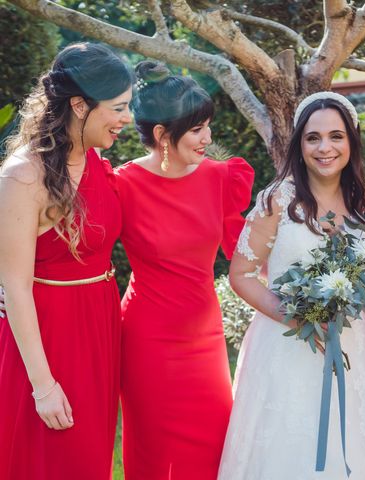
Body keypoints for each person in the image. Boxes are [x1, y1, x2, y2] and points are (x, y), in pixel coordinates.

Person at [218, 92, 365, 479]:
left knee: (352, 443)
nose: (325, 148)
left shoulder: (364, 201)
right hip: (286, 345)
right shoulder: (277, 200)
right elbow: (241, 275)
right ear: (299, 144)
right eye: (313, 138)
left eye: (336, 136)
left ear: (351, 142)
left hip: (349, 344)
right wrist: (298, 317)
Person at [114, 61, 254, 479]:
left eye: (208, 126)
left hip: (204, 337)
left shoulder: (220, 177)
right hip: (146, 338)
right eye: (197, 130)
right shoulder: (120, 184)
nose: (208, 138)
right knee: (154, 451)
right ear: (161, 135)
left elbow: (245, 250)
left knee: (214, 442)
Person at [0, 43, 132, 479]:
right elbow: (14, 285)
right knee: (49, 458)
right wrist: (43, 386)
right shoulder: (22, 175)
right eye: (118, 108)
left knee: (90, 457)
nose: (127, 119)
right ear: (80, 105)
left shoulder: (96, 160)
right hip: (47, 337)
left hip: (99, 324)